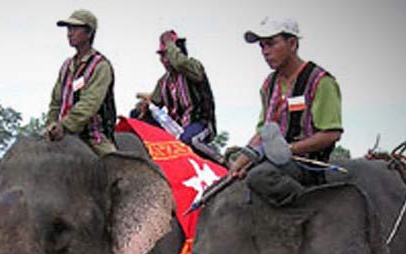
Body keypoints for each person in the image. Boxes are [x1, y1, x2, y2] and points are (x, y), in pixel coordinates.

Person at [227, 17, 342, 183]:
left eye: (271, 43)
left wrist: (287, 150)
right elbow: (263, 133)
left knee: (260, 177)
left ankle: (303, 207)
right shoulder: (269, 85)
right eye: (262, 46)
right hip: (274, 162)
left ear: (292, 43)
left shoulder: (320, 81)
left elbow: (331, 133)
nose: (265, 51)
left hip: (308, 165)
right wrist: (241, 161)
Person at [134, 30, 219, 159]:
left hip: (200, 123)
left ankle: (222, 162)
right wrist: (143, 107)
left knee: (188, 141)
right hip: (177, 127)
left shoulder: (194, 68)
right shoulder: (163, 82)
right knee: (135, 116)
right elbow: (154, 102)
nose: (164, 60)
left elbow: (180, 63)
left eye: (167, 54)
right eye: (161, 56)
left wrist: (169, 42)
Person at [45, 9, 116, 156]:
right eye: (68, 29)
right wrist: (51, 125)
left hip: (91, 135)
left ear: (89, 33)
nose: (69, 33)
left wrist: (64, 125)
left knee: (115, 167)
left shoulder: (101, 65)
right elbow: (55, 101)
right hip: (60, 132)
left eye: (75, 29)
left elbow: (90, 104)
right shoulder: (66, 66)